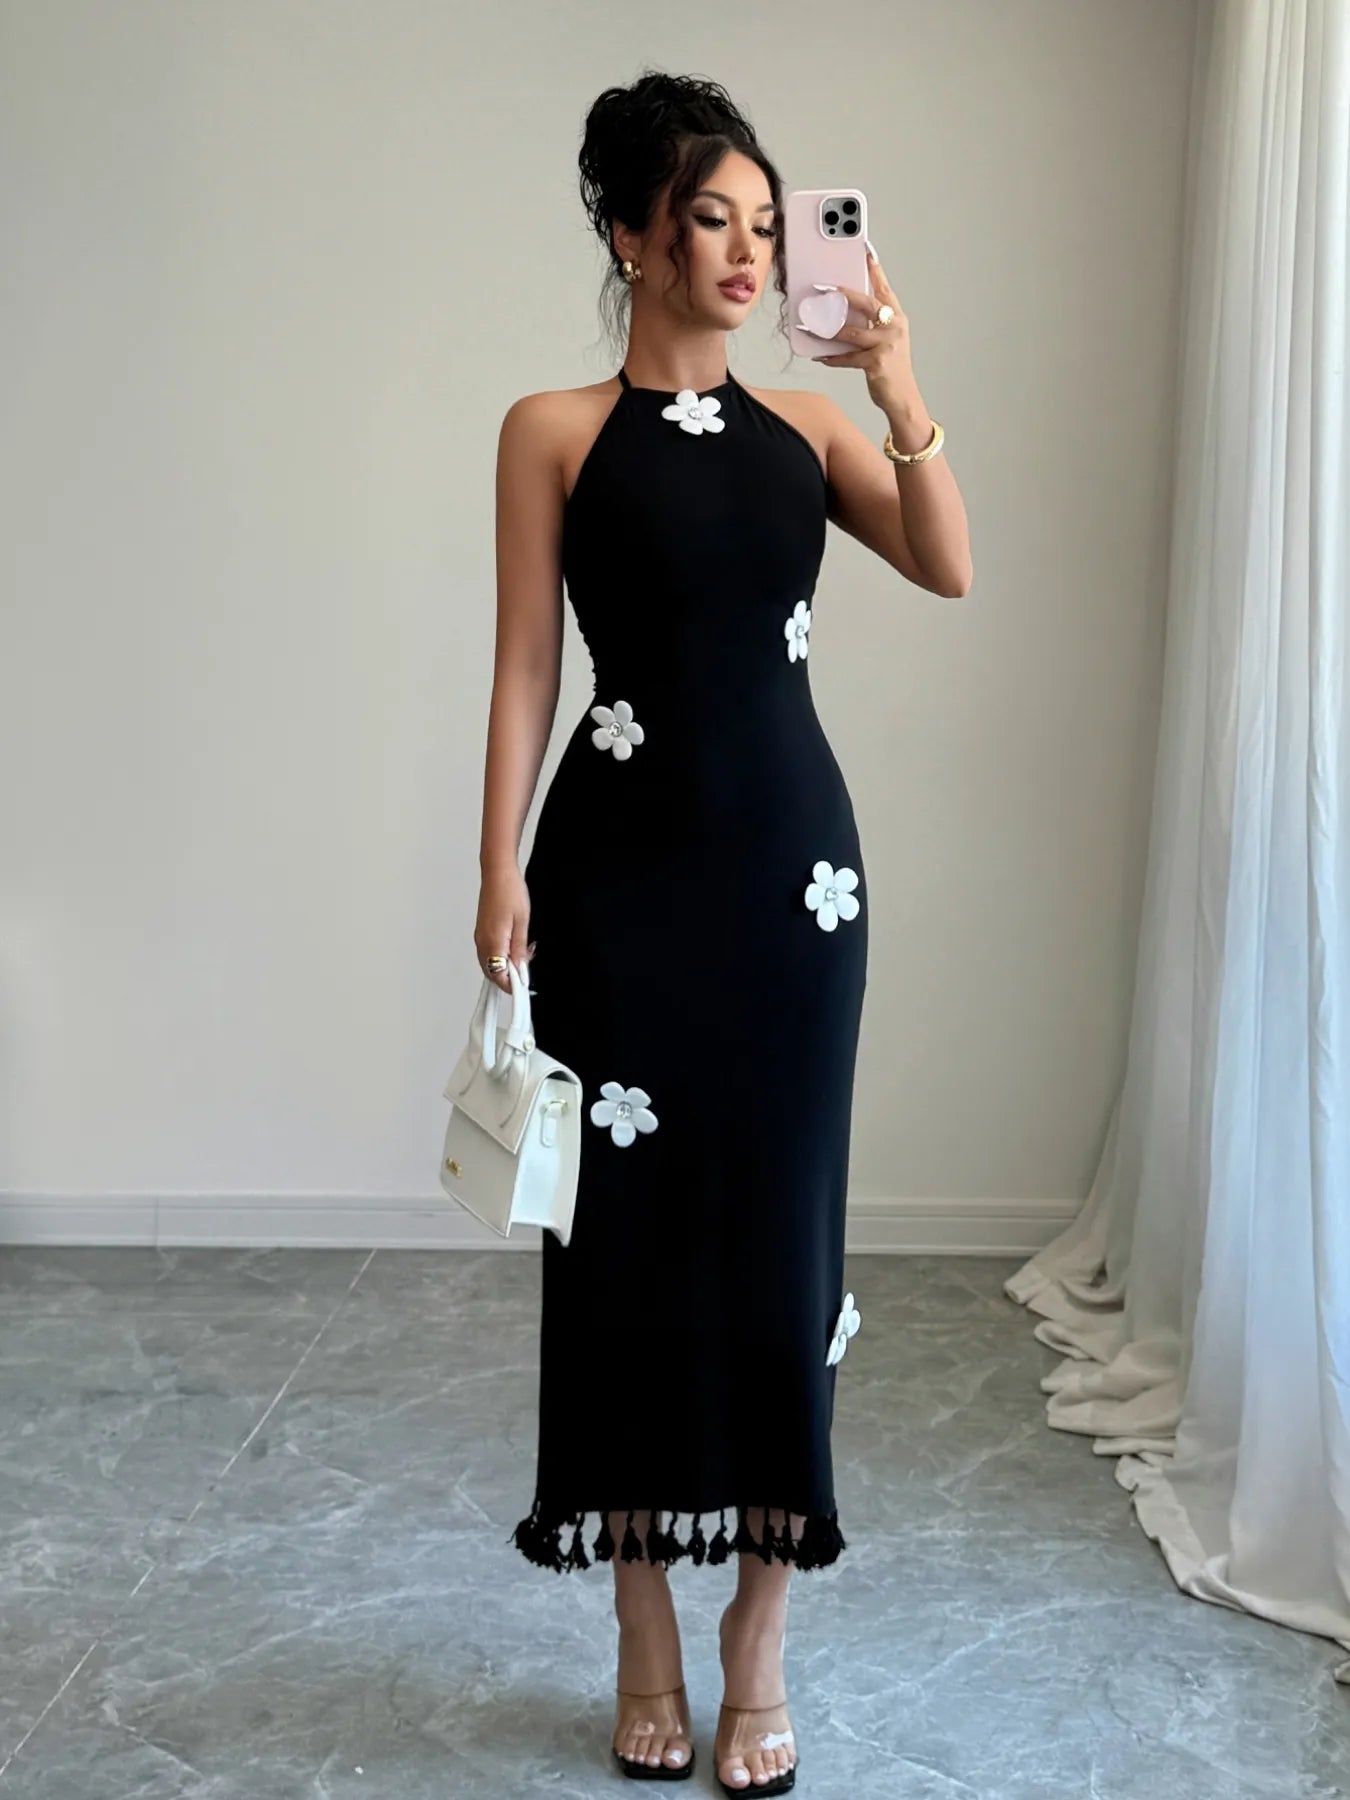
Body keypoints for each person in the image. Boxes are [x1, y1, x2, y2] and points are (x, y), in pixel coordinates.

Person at [474, 68, 972, 1798]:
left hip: (789, 889)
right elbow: (527, 663)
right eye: (714, 218)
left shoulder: (812, 436)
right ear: (631, 232)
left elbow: (949, 564)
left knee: (782, 1245)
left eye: (770, 225)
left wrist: (894, 383)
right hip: (612, 875)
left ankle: (761, 1630)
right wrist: (496, 867)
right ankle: (640, 1625)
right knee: (610, 1246)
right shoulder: (552, 426)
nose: (753, 252)